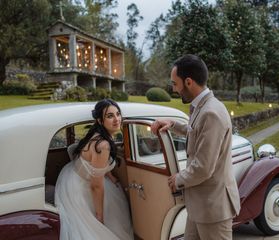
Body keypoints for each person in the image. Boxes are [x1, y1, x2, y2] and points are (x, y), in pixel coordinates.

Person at [151, 54, 240, 239]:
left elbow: (204, 167)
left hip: (213, 208)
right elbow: (196, 131)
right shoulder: (202, 106)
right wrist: (173, 124)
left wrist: (178, 179)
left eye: (175, 83)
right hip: (199, 204)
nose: (174, 89)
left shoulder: (211, 113)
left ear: (189, 82)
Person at [55, 99, 134, 240]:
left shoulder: (97, 135)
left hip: (72, 174)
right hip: (81, 186)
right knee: (102, 224)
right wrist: (99, 216)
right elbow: (96, 186)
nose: (116, 119)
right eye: (110, 116)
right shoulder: (102, 145)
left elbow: (97, 164)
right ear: (99, 120)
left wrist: (110, 176)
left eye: (118, 114)